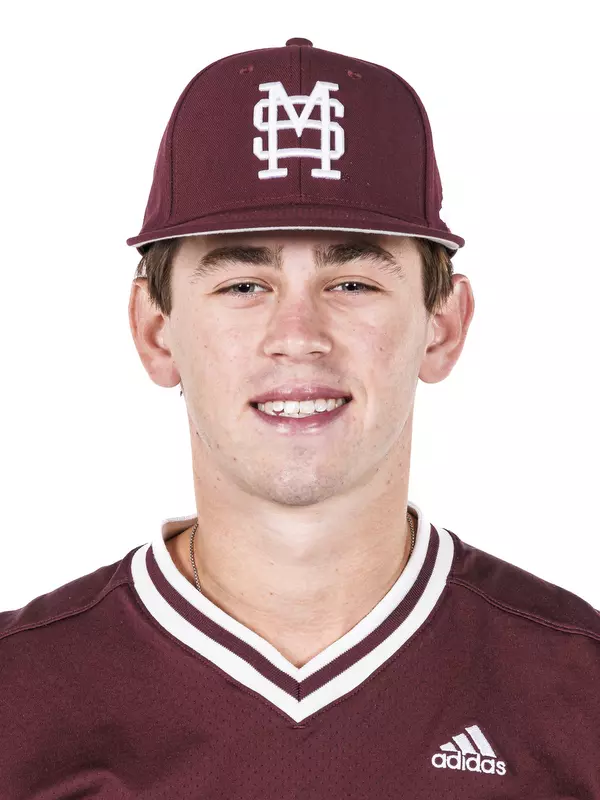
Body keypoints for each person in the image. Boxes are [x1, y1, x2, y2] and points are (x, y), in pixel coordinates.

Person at [1, 38, 598, 798]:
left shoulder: (578, 690)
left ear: (442, 326)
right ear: (156, 333)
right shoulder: (18, 699)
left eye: (351, 282)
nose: (297, 337)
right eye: (243, 284)